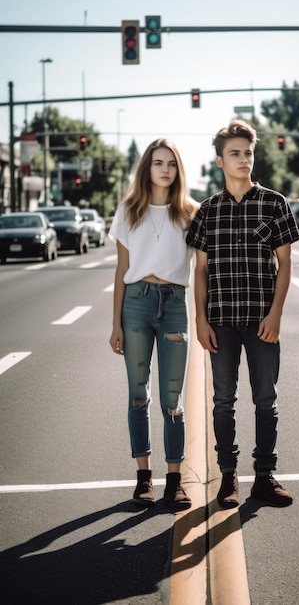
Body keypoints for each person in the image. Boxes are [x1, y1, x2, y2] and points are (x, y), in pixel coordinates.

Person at [186, 120, 299, 509]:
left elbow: (285, 264)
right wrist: (200, 320)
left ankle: (265, 478)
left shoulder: (274, 203)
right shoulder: (207, 211)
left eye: (248, 153)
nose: (243, 160)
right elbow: (200, 270)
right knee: (223, 401)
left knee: (266, 400)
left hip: (262, 319)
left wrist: (276, 314)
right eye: (235, 154)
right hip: (220, 320)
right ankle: (228, 477)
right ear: (220, 160)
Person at [109, 138, 198, 510]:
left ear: (179, 170)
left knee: (173, 399)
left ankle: (174, 482)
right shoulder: (129, 210)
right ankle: (143, 478)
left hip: (175, 304)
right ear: (146, 168)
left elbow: (203, 270)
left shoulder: (190, 213)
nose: (165, 169)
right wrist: (115, 323)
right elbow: (121, 269)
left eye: (171, 164)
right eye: (158, 163)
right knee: (138, 394)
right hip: (136, 305)